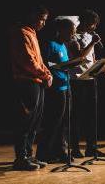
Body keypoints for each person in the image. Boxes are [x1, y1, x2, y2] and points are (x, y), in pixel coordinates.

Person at [9, 5, 52, 170]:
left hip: (37, 81)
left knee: (35, 122)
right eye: (42, 19)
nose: (43, 23)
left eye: (45, 20)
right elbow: (28, 61)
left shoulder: (32, 33)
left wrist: (47, 73)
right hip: (26, 81)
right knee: (25, 122)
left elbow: (39, 61)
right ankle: (21, 158)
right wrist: (45, 74)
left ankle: (29, 155)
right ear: (32, 16)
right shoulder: (20, 32)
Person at [68, 9, 105, 158]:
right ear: (84, 22)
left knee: (92, 115)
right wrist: (92, 42)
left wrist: (103, 67)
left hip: (91, 78)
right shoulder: (73, 36)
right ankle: (75, 149)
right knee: (76, 116)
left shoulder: (90, 36)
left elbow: (92, 58)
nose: (94, 27)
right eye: (92, 24)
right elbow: (79, 56)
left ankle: (91, 147)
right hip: (77, 79)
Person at [36, 18, 76, 163]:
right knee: (53, 122)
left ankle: (60, 151)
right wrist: (59, 66)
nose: (73, 35)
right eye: (71, 32)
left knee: (65, 123)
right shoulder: (50, 44)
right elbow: (45, 64)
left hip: (66, 87)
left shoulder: (64, 45)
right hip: (55, 89)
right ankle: (43, 153)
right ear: (61, 31)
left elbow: (63, 64)